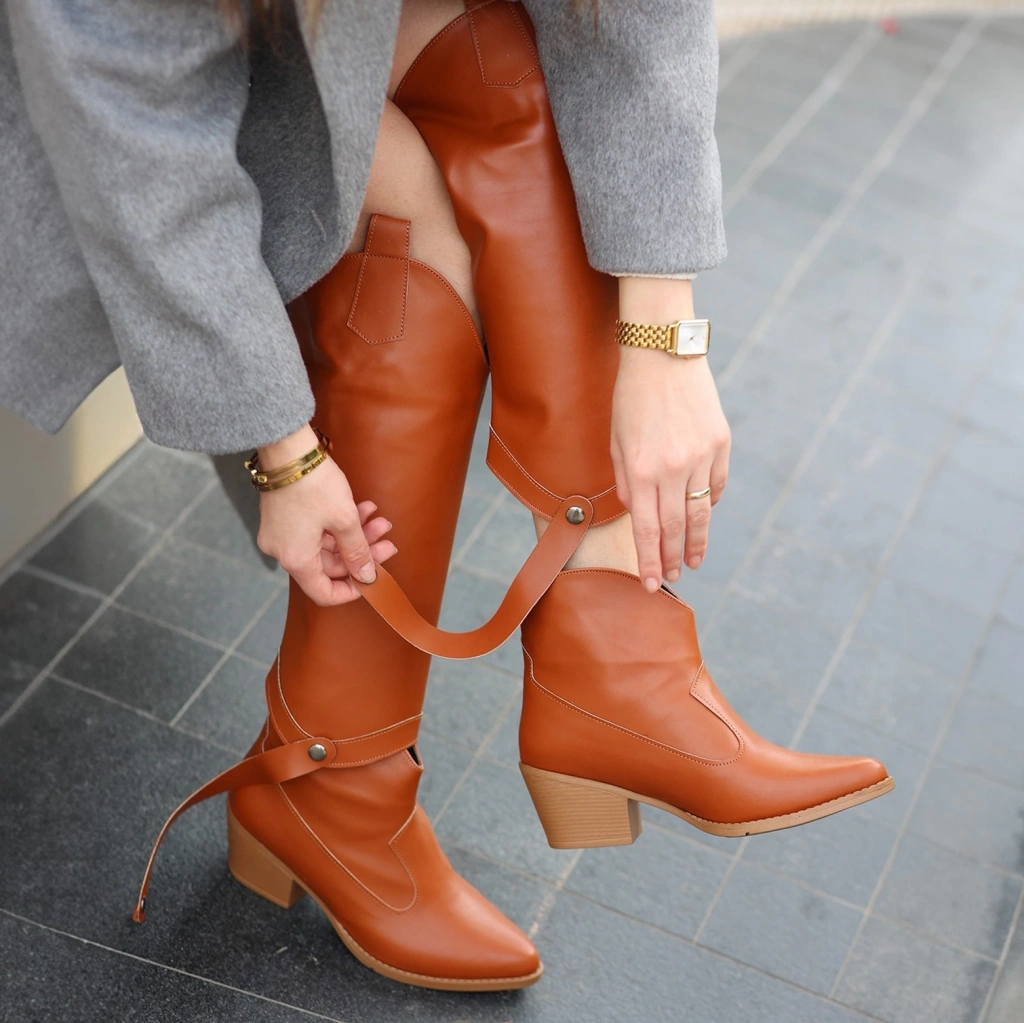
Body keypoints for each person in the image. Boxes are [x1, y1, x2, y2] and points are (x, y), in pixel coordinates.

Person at [3, 0, 894, 993]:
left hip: (298, 42)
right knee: (412, 226)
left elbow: (629, 17)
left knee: (500, 69)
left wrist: (663, 343)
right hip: (117, 111)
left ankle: (601, 647)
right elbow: (135, 136)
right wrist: (285, 455)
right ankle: (365, 769)